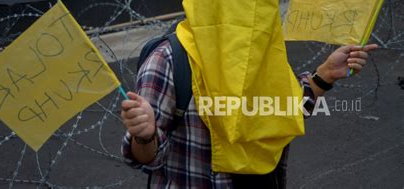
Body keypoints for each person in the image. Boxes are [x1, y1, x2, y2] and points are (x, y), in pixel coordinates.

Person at [121, 40, 378, 188]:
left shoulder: (261, 48)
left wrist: (324, 75)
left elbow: (281, 111)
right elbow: (146, 158)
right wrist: (145, 135)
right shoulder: (168, 59)